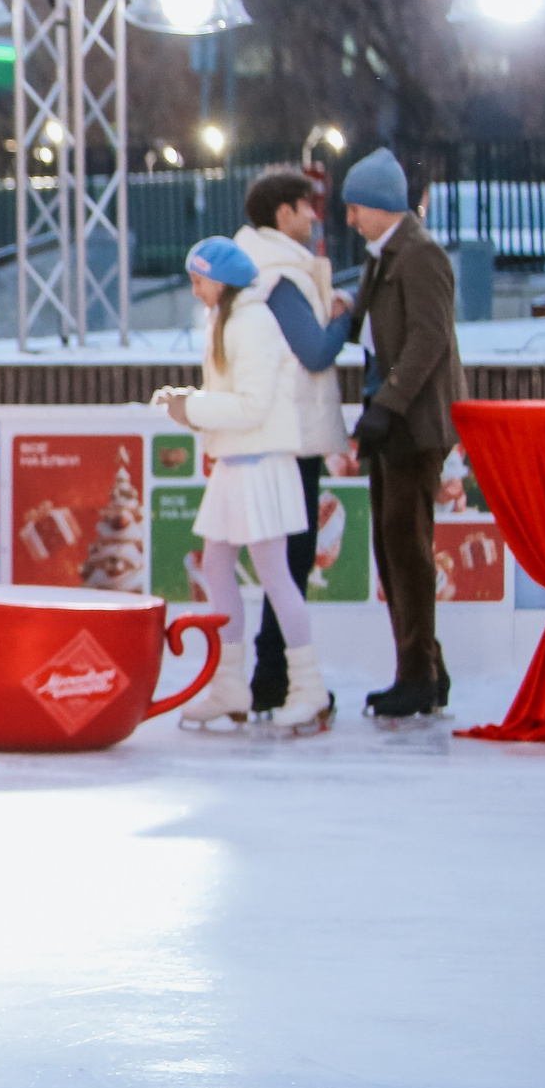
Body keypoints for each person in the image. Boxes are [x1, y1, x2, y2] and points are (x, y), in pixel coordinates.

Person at [161, 237, 329, 734]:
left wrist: (190, 407)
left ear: (220, 280)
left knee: (275, 575)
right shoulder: (228, 321)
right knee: (217, 566)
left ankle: (309, 686)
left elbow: (253, 404)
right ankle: (230, 684)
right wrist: (192, 407)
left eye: (198, 280)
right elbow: (234, 399)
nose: (194, 291)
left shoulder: (251, 323)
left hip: (259, 465)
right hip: (239, 463)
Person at [342, 147, 464, 719]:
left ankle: (418, 673)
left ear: (383, 205)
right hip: (392, 420)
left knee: (406, 546)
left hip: (416, 423)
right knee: (392, 548)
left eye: (356, 207)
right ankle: (424, 668)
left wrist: (387, 404)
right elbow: (362, 323)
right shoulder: (382, 256)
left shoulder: (420, 254)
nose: (350, 219)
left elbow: (428, 339)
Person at [233, 170, 354, 718]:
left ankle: (266, 677)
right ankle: (278, 679)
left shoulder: (256, 268)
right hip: (289, 438)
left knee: (273, 561)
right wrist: (343, 317)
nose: (314, 217)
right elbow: (314, 351)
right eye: (307, 208)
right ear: (283, 214)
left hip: (267, 436)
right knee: (289, 563)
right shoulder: (281, 274)